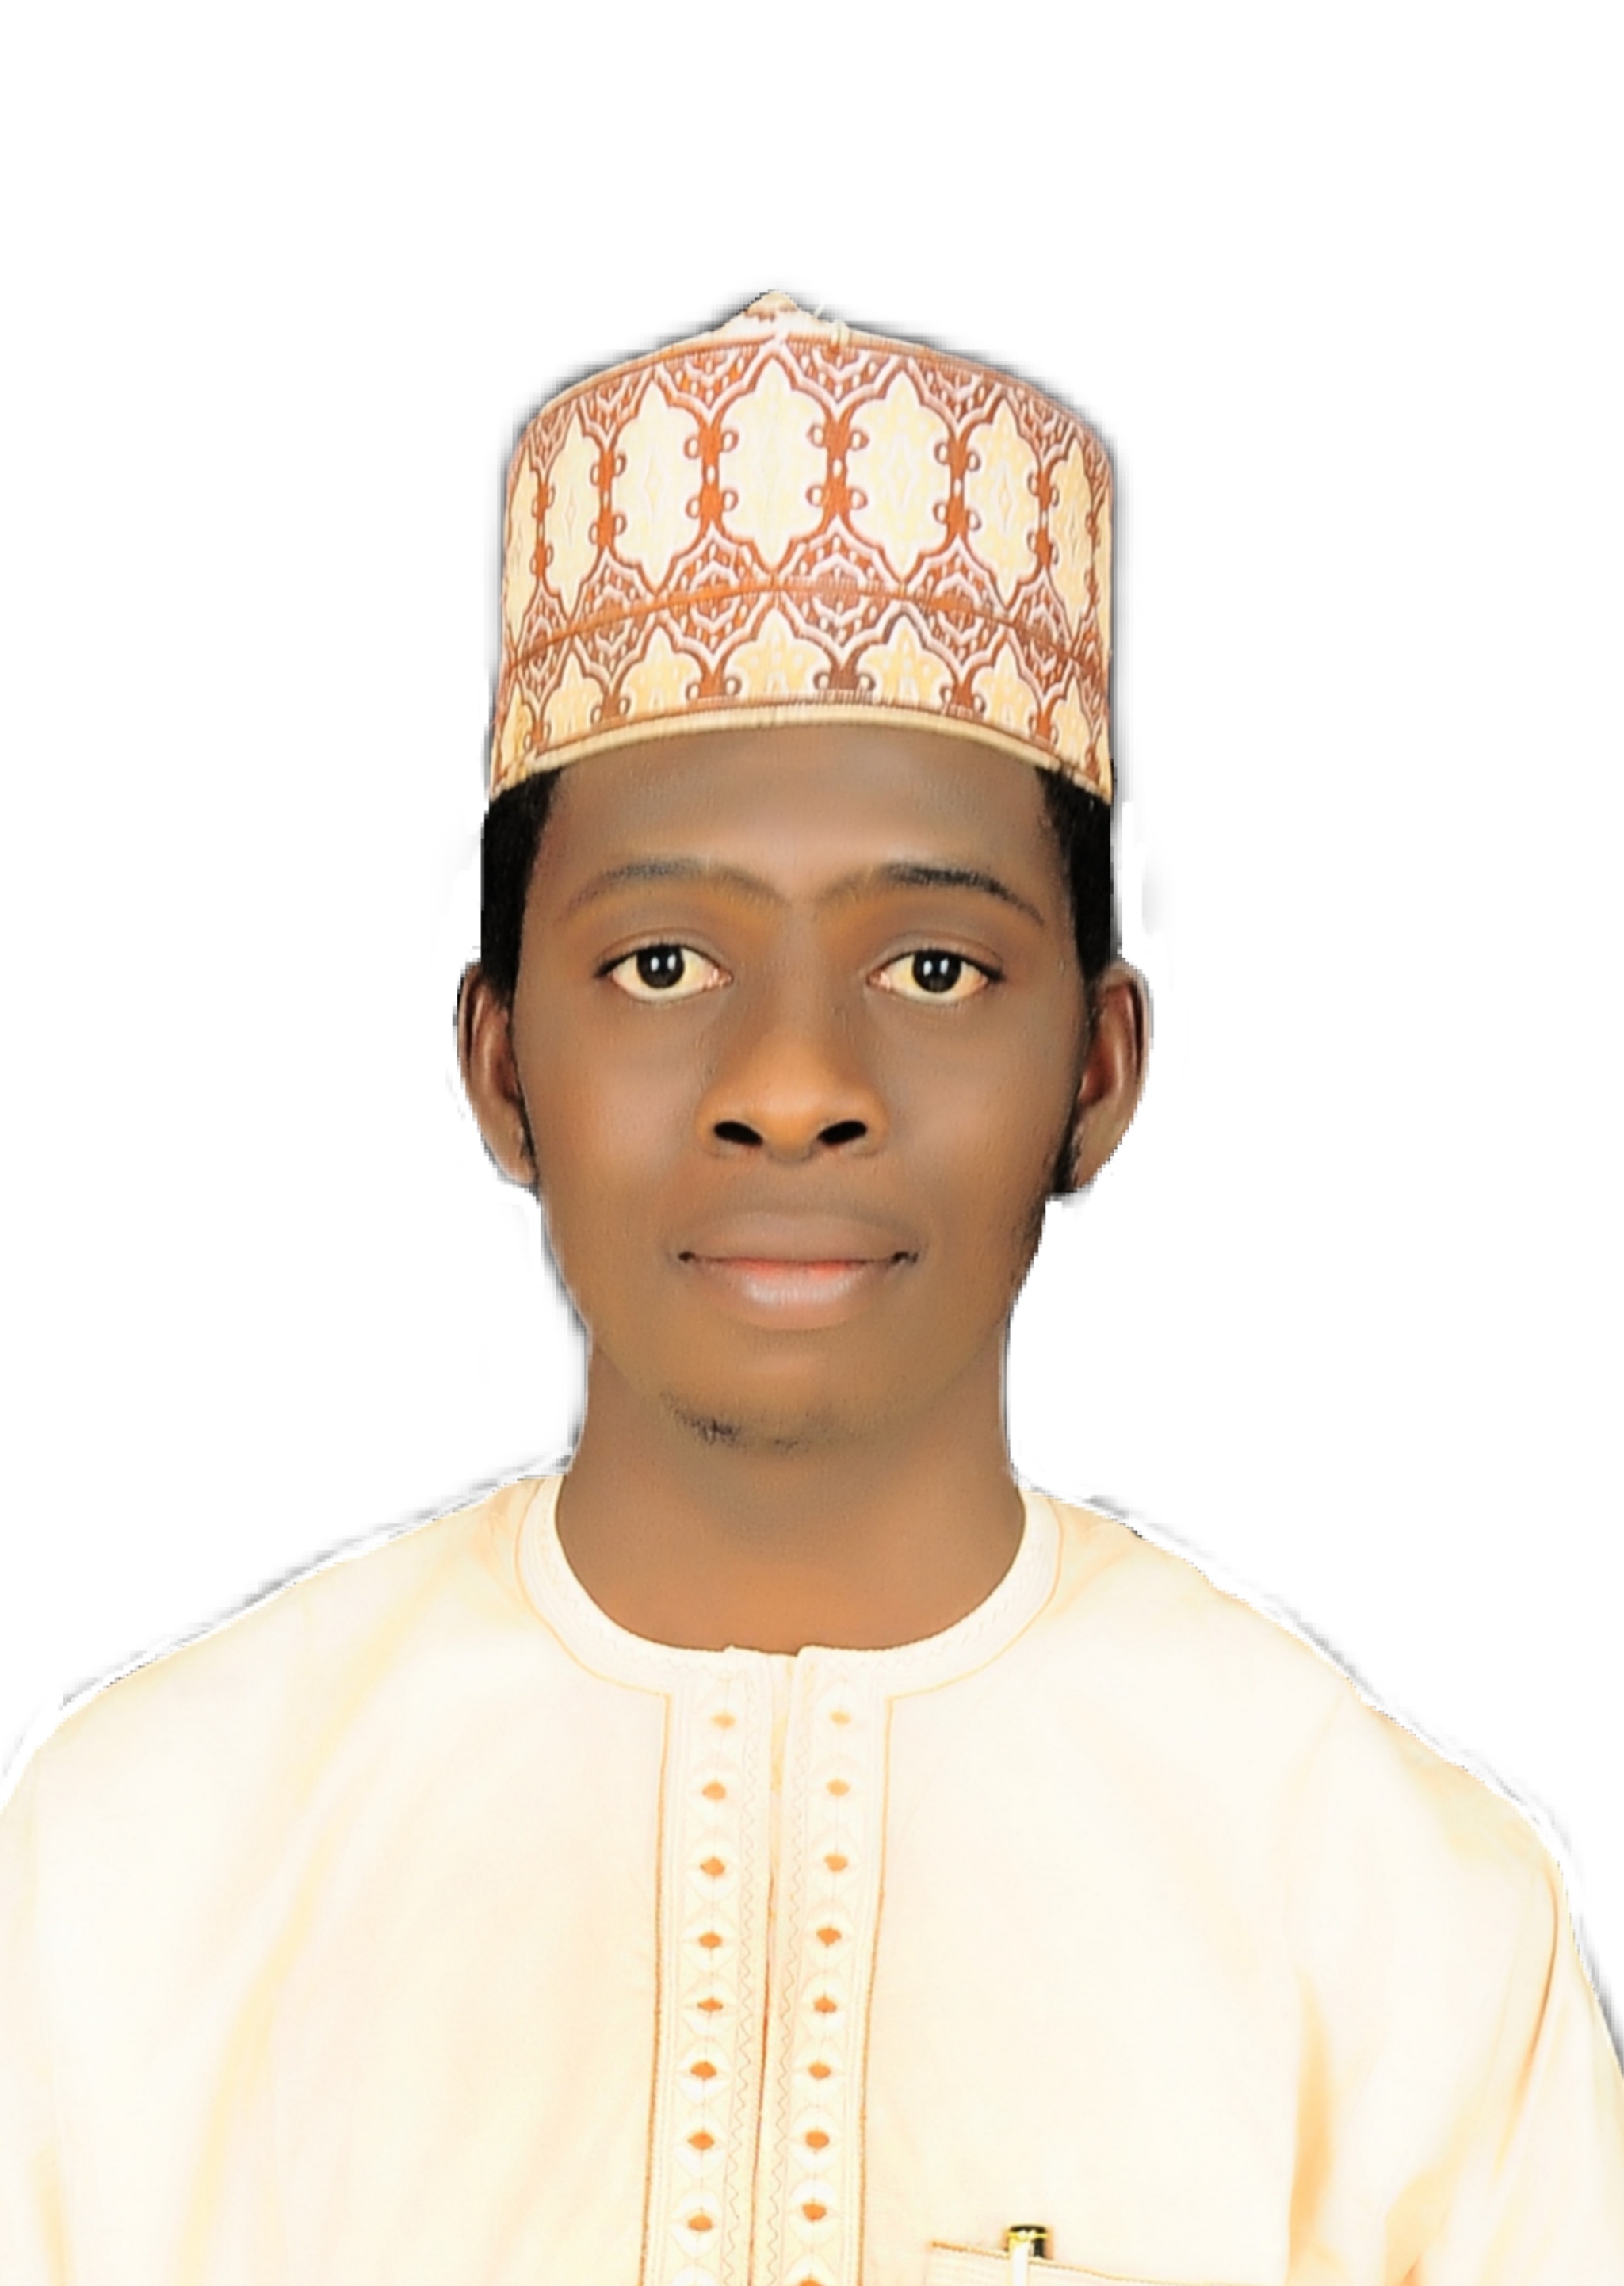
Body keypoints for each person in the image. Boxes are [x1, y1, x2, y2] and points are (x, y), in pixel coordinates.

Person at [2, 292, 1621, 2285]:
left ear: (1096, 1067)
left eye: (931, 968)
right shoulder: (126, 1886)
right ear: (499, 1063)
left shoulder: (1393, 1938)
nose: (789, 1084)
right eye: (661, 964)